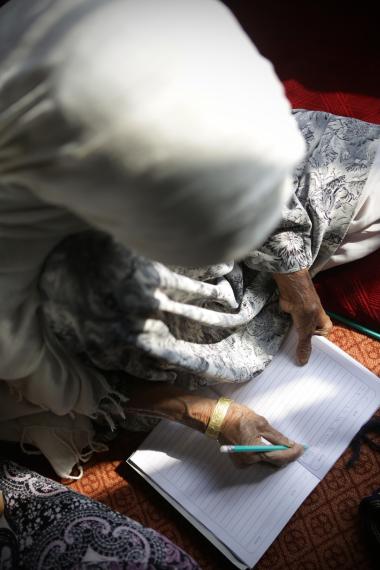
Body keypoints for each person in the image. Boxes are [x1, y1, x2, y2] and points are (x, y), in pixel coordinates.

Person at [0, 0, 379, 567]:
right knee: (51, 409)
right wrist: (206, 413)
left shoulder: (180, 45)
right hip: (69, 304)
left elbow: (263, 168)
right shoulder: (27, 272)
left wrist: (294, 281)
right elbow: (53, 372)